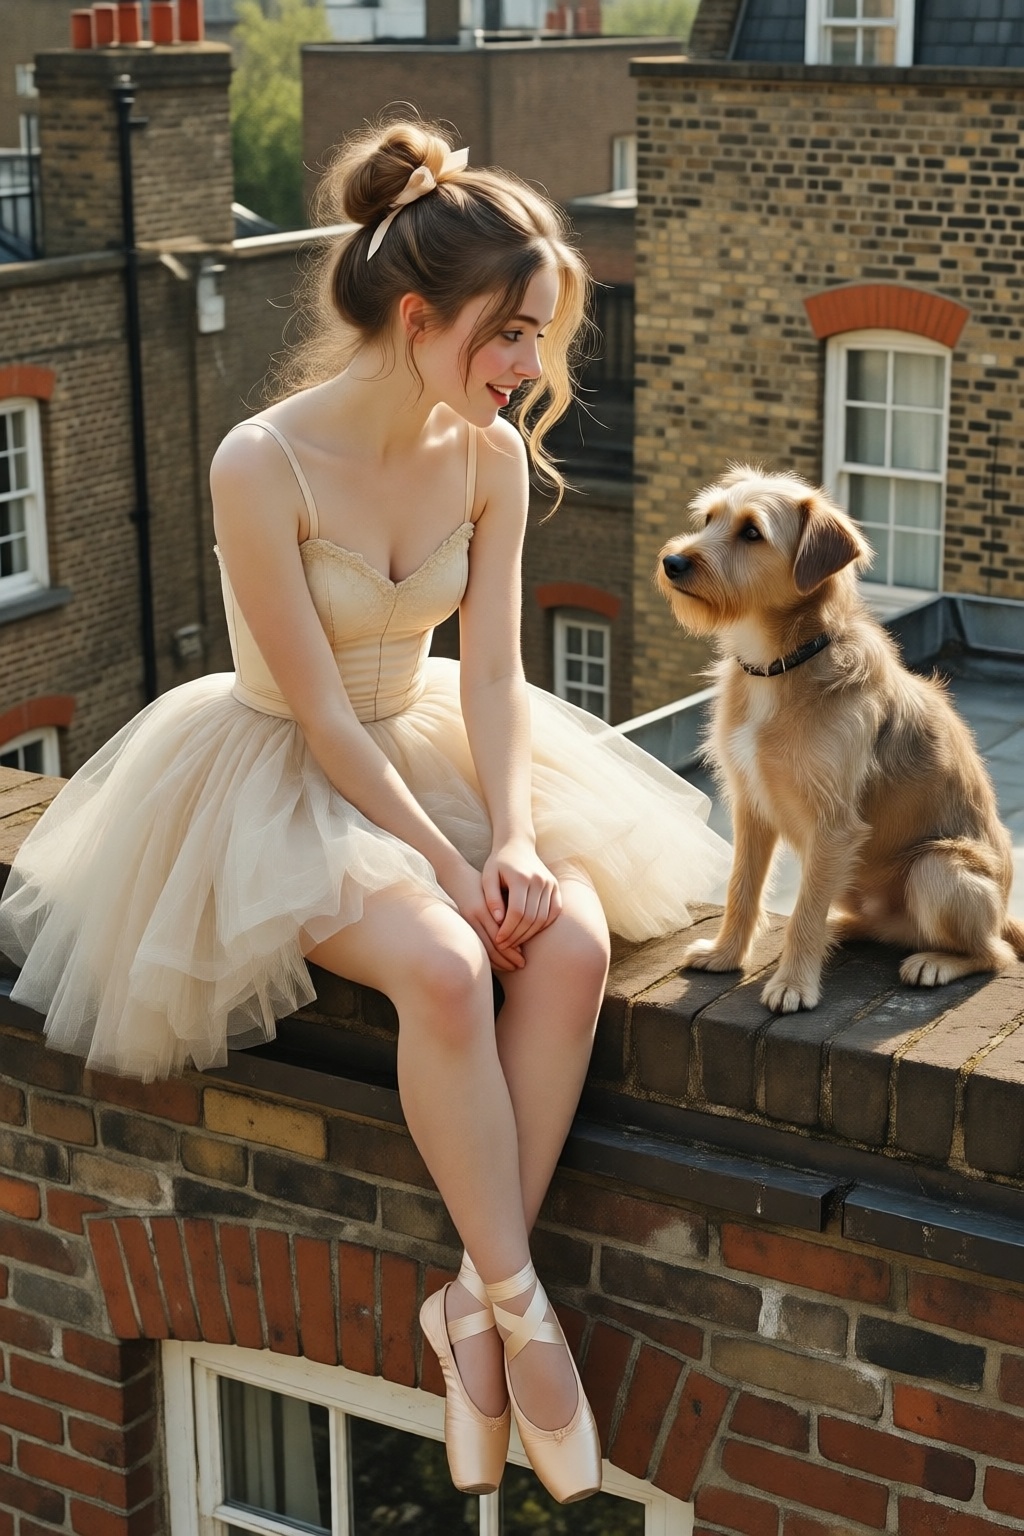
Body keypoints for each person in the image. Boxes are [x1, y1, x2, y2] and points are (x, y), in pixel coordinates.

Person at [0, 121, 730, 1504]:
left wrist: (507, 840)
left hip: (441, 743)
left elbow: (502, 676)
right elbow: (324, 715)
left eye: (539, 335)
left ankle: (466, 1303)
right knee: (452, 965)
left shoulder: (490, 461)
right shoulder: (257, 464)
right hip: (284, 769)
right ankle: (525, 1316)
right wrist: (447, 869)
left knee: (567, 942)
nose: (532, 366)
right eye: (511, 333)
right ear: (419, 315)